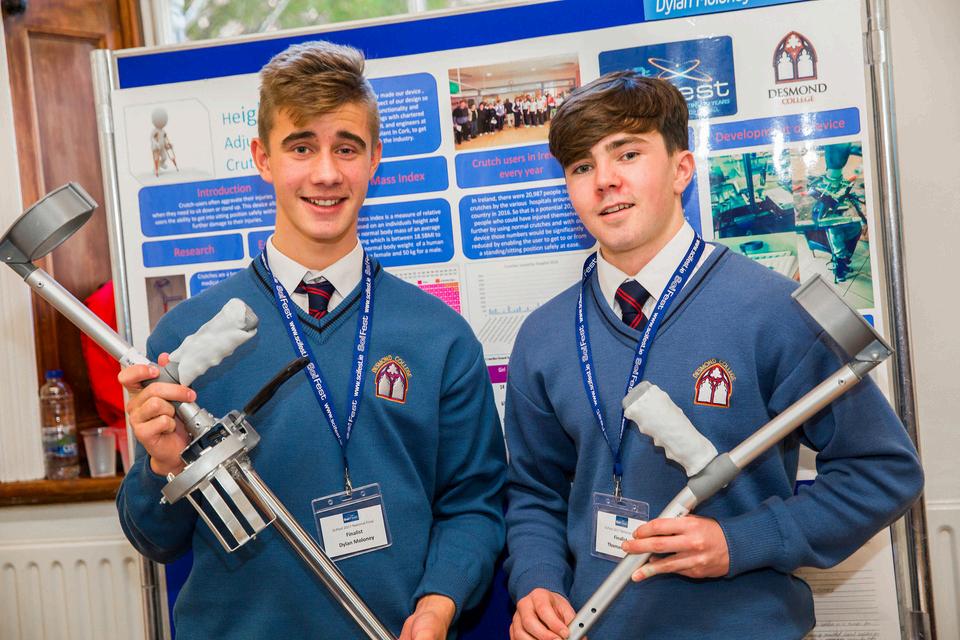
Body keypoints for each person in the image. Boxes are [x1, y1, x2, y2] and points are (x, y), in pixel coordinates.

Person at [503, 71, 923, 639]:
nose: (604, 180)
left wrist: (740, 542)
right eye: (581, 167)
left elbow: (882, 471)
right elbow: (535, 492)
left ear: (682, 169)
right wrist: (536, 581)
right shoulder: (544, 334)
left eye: (627, 154)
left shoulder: (776, 310)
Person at [117, 41, 506, 640]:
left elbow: (474, 504)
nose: (326, 173)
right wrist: (161, 467)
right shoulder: (186, 339)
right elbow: (154, 539)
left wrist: (439, 603)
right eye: (301, 147)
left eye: (346, 148)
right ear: (263, 158)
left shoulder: (439, 336)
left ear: (374, 160)